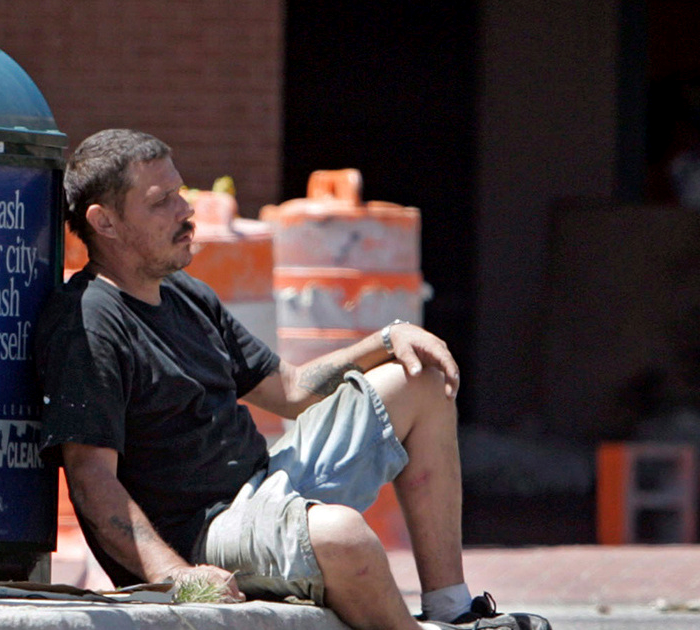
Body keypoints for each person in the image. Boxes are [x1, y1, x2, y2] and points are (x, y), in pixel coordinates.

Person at [35, 129, 551, 630]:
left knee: (422, 380)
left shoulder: (185, 294)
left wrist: (385, 339)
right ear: (104, 222)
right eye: (161, 201)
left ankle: (452, 608)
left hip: (265, 486)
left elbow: (292, 390)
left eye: (180, 192)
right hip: (202, 536)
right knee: (343, 537)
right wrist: (177, 575)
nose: (184, 210)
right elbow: (92, 480)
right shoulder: (87, 322)